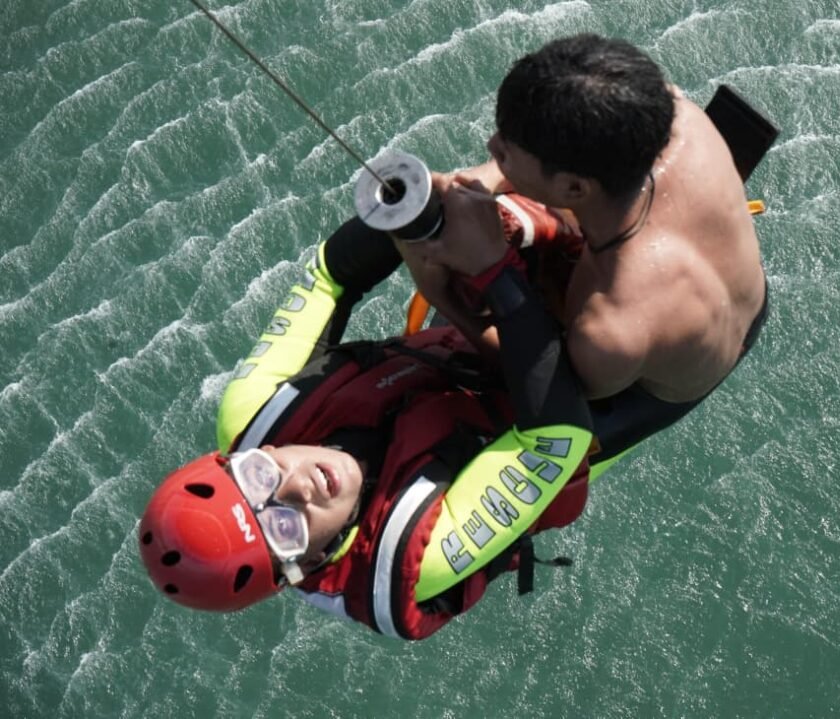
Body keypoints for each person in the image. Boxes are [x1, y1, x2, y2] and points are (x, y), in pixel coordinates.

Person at [139, 204, 600, 641]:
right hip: (569, 419)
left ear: (249, 454)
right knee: (615, 343)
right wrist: (495, 270)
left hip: (458, 361)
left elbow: (329, 275)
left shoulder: (253, 411)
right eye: (285, 528)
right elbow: (556, 436)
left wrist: (411, 215)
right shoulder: (414, 556)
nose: (297, 488)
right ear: (306, 565)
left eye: (260, 475)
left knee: (498, 210)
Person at [396, 34, 770, 461]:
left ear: (574, 189)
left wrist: (444, 291)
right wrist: (482, 179)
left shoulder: (610, 328)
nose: (491, 147)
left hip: (645, 386)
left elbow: (554, 387)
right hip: (741, 293)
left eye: (506, 151)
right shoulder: (683, 119)